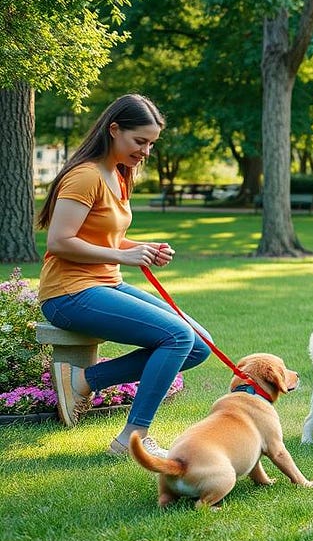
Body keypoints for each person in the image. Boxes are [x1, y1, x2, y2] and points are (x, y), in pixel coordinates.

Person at [36, 94, 212, 457]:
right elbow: (59, 240)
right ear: (114, 129)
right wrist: (123, 255)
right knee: (178, 337)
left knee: (198, 344)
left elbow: (102, 235)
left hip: (105, 283)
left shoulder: (118, 174)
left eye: (151, 144)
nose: (146, 151)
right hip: (68, 293)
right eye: (140, 141)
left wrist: (142, 247)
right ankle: (132, 438)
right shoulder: (85, 177)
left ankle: (84, 381)